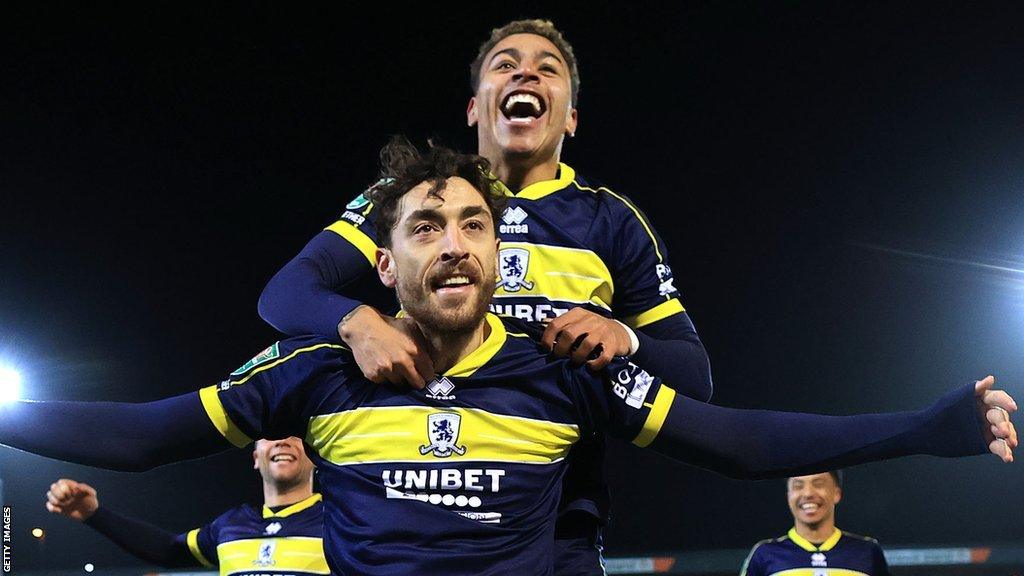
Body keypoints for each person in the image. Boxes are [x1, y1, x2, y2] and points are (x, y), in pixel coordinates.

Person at [0, 140, 1015, 576]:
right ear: (382, 258)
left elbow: (735, 439)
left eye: (476, 224)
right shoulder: (311, 365)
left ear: (497, 250)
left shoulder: (561, 366)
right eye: (428, 224)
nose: (455, 241)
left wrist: (926, 429)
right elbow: (136, 437)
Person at [257, 19, 713, 573]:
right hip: (401, 513)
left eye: (549, 68)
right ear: (475, 108)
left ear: (570, 115)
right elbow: (284, 295)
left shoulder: (612, 221)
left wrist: (624, 336)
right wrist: (358, 322)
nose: (526, 71)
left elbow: (694, 377)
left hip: (558, 523)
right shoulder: (415, 196)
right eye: (505, 64)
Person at [45, 437, 328, 575]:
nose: (281, 441)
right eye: (270, 433)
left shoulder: (343, 521)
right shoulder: (231, 526)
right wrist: (95, 514)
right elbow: (169, 551)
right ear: (256, 457)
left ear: (316, 455)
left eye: (294, 433)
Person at [740, 471, 891, 576]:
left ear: (836, 493)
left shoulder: (868, 552)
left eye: (818, 484)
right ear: (788, 496)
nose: (808, 493)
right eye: (798, 486)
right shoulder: (764, 554)